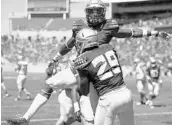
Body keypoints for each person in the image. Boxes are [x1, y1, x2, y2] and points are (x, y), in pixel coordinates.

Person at [6, 0, 171, 124]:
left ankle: (74, 116)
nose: (94, 15)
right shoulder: (79, 25)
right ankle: (26, 118)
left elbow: (130, 32)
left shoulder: (109, 26)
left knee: (90, 118)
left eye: (98, 11)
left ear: (103, 12)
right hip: (81, 68)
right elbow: (69, 43)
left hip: (97, 77)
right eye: (91, 11)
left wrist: (154, 33)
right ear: (86, 13)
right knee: (49, 83)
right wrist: (56, 57)